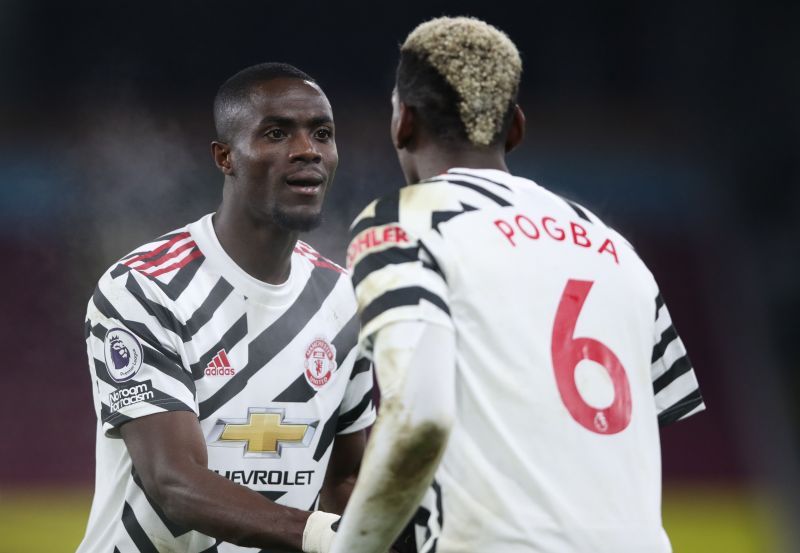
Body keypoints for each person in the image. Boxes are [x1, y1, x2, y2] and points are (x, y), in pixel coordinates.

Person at [331, 17, 705, 553]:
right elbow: (641, 430)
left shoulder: (401, 222)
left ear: (402, 124)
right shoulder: (616, 248)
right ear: (515, 128)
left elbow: (420, 419)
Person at [77, 62, 376, 553]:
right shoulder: (145, 288)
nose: (308, 150)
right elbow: (173, 482)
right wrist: (324, 535)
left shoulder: (346, 300)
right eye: (277, 133)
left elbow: (346, 480)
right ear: (225, 157)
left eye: (322, 133)